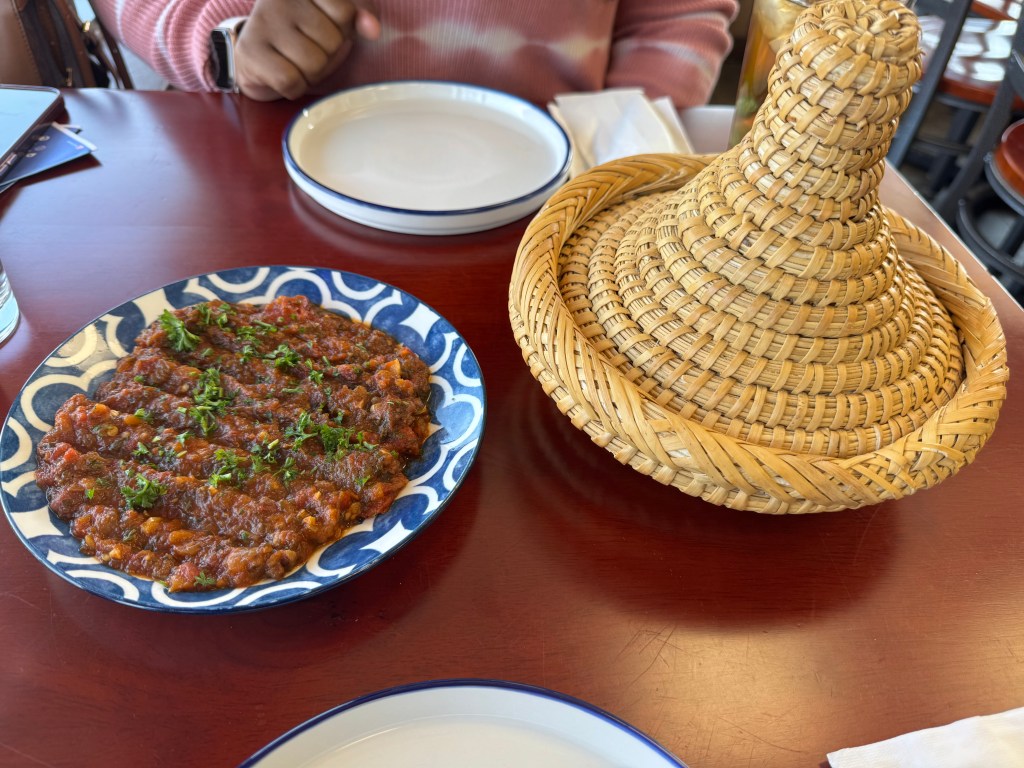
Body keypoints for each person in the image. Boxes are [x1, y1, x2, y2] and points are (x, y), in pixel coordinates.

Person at [93, 0, 738, 108]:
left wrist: (623, 132)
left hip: (563, 189)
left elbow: (678, 17)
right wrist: (225, 38)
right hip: (276, 160)